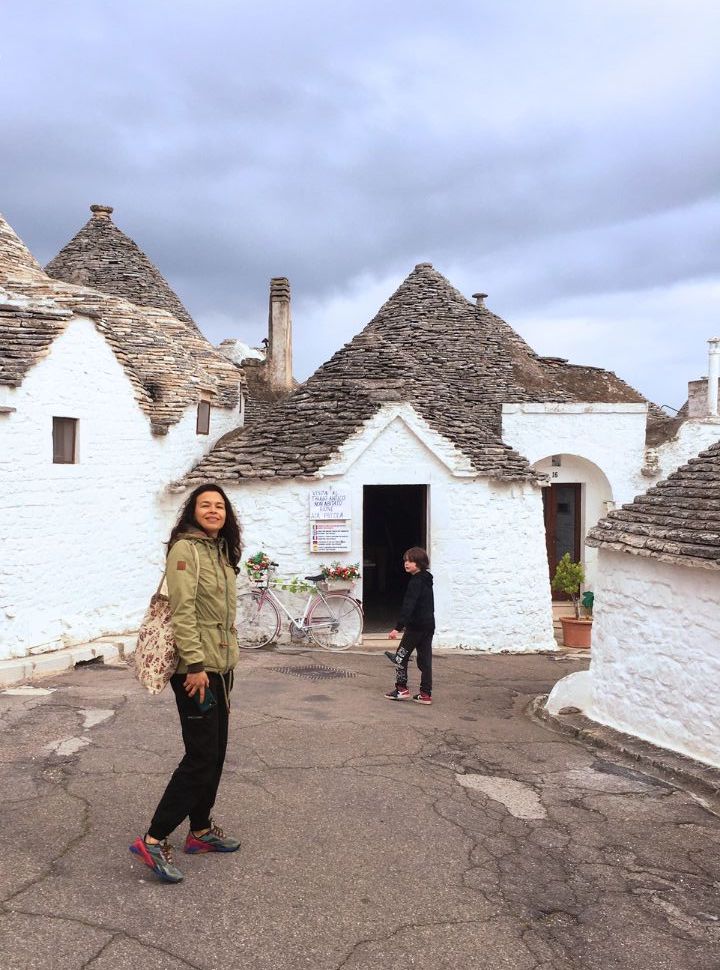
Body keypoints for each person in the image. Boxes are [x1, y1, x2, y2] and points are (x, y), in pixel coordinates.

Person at [129, 483, 242, 883]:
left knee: (216, 753)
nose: (213, 511)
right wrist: (195, 664)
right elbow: (183, 610)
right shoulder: (186, 550)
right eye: (205, 505)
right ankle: (155, 839)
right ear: (192, 512)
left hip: (222, 667)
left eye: (219, 506)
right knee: (199, 756)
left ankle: (200, 830)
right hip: (197, 671)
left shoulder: (221, 551)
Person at [384, 547, 434, 705]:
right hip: (428, 625)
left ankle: (401, 689)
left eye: (411, 561)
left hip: (416, 627)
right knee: (425, 660)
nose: (407, 563)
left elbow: (408, 606)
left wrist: (397, 628)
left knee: (400, 657)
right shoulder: (427, 578)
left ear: (419, 563)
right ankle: (425, 694)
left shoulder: (416, 581)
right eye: (405, 560)